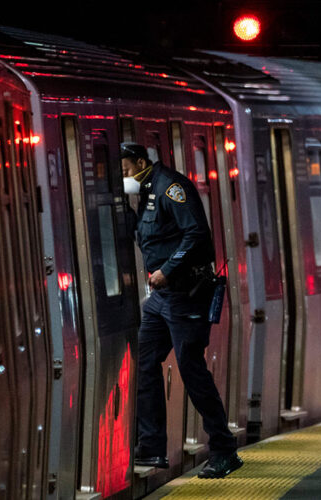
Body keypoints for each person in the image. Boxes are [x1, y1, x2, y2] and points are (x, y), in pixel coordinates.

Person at [120, 142, 243, 479]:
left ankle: (223, 450)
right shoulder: (147, 191)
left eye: (127, 168)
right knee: (145, 362)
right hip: (162, 299)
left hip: (187, 294)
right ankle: (152, 447)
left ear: (141, 162)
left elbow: (196, 233)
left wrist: (168, 270)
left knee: (191, 370)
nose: (125, 175)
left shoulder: (171, 188)